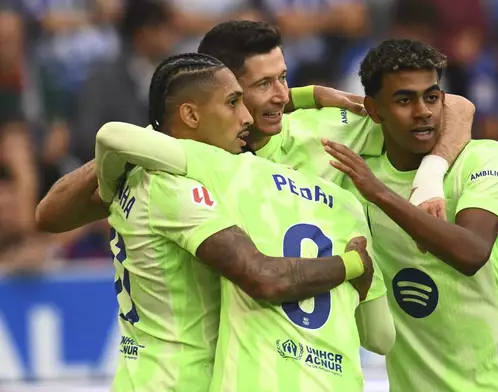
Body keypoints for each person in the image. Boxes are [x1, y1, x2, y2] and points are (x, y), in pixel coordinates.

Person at [95, 52, 388, 392]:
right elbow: (262, 277)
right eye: (233, 102)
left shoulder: (133, 174)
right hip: (181, 381)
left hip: (138, 375)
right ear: (190, 114)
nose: (246, 116)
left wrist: (108, 191)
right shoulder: (177, 186)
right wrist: (352, 265)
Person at [35, 21, 475, 232]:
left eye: (283, 77)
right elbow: (52, 216)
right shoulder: (170, 158)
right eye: (263, 83)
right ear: (221, 87)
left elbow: (454, 105)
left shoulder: (325, 128)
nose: (282, 95)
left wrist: (431, 175)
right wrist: (150, 137)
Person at [323, 39, 498, 391]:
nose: (423, 111)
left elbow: (472, 252)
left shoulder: (483, 158)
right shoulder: (357, 175)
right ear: (375, 110)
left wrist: (384, 192)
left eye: (431, 96)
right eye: (404, 100)